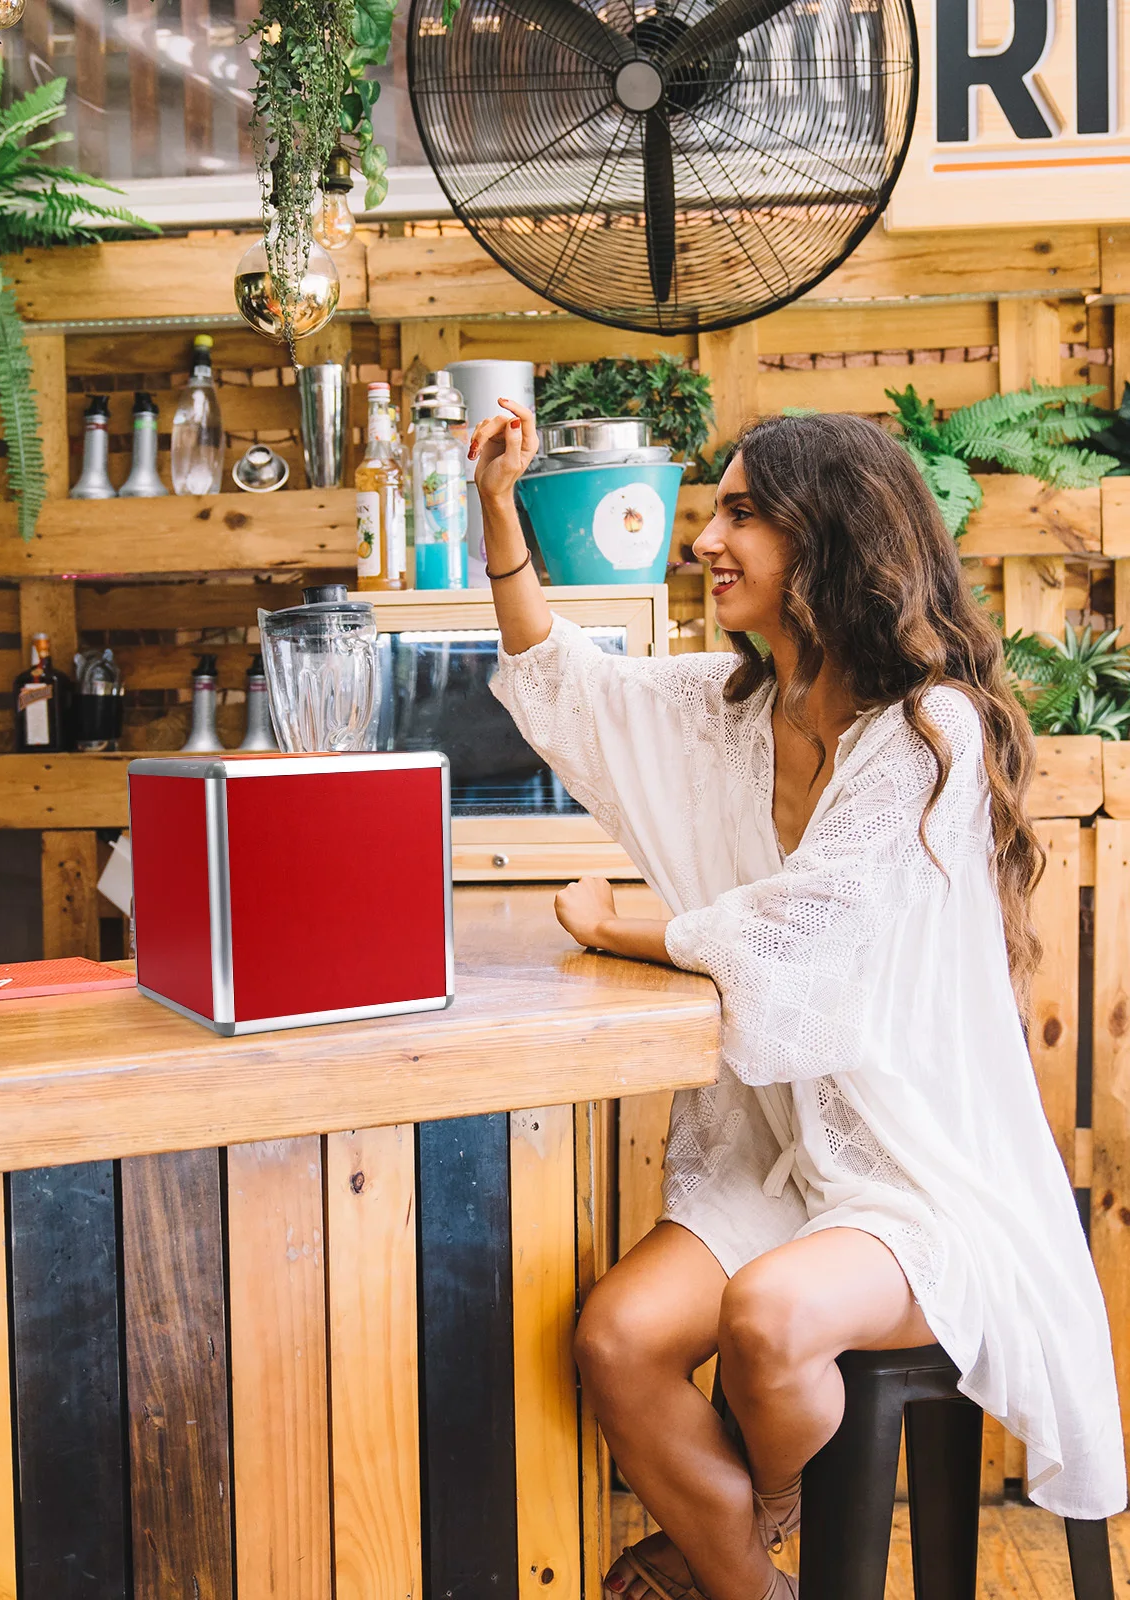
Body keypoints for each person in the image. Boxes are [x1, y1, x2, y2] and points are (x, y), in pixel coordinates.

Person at [471, 401, 1126, 1600]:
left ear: (824, 538)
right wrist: (498, 510)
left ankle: (752, 1515)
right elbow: (565, 687)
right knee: (616, 1340)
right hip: (777, 1155)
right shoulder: (727, 713)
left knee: (769, 1317)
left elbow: (809, 928)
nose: (704, 539)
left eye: (739, 513)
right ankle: (754, 1581)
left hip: (919, 1170)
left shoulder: (931, 728)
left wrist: (622, 924)